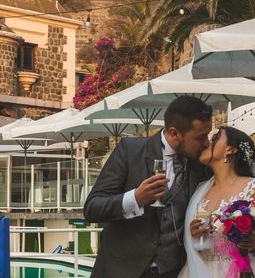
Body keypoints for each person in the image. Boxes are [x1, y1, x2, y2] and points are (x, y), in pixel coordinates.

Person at [83, 95, 213, 278]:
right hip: (121, 271)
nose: (207, 143)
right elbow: (92, 208)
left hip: (173, 272)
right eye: (200, 137)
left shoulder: (201, 164)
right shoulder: (130, 151)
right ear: (174, 133)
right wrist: (135, 198)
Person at [178, 126, 255, 278]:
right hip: (200, 270)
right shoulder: (202, 189)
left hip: (240, 270)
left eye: (215, 138)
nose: (207, 143)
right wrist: (195, 232)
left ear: (230, 149)